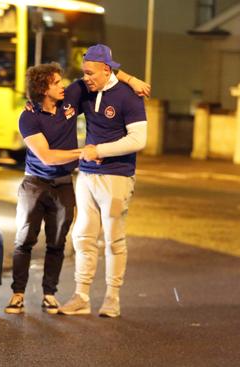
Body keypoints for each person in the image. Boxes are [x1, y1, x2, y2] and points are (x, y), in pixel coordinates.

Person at [5, 62, 150, 314]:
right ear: (43, 88)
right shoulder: (28, 117)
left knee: (59, 240)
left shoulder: (70, 96)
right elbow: (47, 157)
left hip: (64, 182)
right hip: (35, 183)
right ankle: (18, 293)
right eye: (56, 83)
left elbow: (105, 70)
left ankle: (50, 293)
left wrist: (131, 79)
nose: (64, 85)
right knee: (25, 238)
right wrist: (85, 152)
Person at [58, 44, 147, 318]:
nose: (86, 78)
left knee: (113, 239)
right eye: (84, 73)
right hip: (87, 174)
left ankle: (112, 298)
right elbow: (54, 99)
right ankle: (81, 296)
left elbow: (138, 140)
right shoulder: (84, 88)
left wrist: (101, 150)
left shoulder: (129, 98)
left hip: (117, 176)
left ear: (107, 70)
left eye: (91, 73)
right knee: (82, 236)